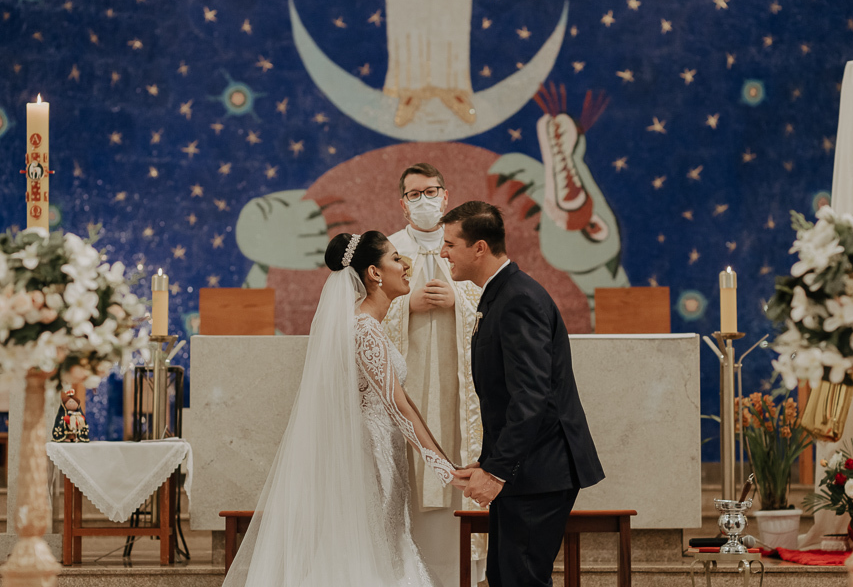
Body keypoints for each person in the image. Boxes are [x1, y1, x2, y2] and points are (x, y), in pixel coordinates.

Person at [222, 231, 465, 587]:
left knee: (383, 548)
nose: (406, 265)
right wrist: (444, 468)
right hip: (372, 456)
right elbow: (397, 404)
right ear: (374, 273)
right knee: (375, 554)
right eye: (396, 258)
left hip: (379, 451)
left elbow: (398, 399)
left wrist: (441, 460)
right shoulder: (364, 329)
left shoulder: (364, 325)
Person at [441, 201, 606, 587]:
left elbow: (530, 396)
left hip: (540, 471)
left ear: (479, 248)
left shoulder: (518, 299)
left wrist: (497, 470)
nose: (443, 253)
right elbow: (505, 395)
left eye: (450, 244)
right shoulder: (499, 294)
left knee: (522, 579)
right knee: (503, 577)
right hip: (525, 471)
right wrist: (488, 463)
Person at [382, 163, 485, 585]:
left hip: (459, 393)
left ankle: (463, 572)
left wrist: (457, 301)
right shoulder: (387, 249)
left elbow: (490, 297)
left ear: (445, 195)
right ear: (402, 203)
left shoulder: (462, 245)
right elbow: (361, 313)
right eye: (414, 194)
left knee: (459, 455)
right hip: (407, 389)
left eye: (431, 191)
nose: (424, 200)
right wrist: (407, 305)